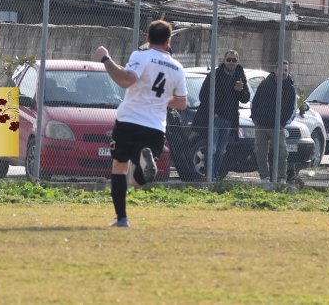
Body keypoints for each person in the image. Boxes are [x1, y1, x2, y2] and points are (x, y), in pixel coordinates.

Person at [95, 19, 187, 228]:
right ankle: (145, 162)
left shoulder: (141, 56)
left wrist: (105, 59)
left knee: (119, 166)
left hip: (129, 120)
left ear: (147, 38)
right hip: (155, 127)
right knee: (137, 180)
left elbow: (126, 79)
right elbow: (181, 103)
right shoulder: (177, 67)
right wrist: (162, 99)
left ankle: (122, 219)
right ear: (168, 41)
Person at [192, 49, 250, 179]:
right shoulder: (215, 75)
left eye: (234, 60)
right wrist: (213, 114)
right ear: (224, 60)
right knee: (211, 149)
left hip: (229, 120)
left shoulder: (240, 76)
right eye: (228, 60)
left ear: (237, 62)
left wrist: (240, 90)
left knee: (221, 151)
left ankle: (216, 175)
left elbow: (246, 98)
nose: (231, 62)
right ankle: (209, 176)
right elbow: (203, 96)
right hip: (215, 119)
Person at [251, 61, 297, 183]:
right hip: (261, 124)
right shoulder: (265, 84)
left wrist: (283, 122)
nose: (284, 72)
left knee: (282, 152)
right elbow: (255, 101)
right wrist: (255, 117)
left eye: (286, 70)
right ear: (275, 70)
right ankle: (264, 177)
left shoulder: (290, 89)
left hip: (277, 126)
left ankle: (281, 178)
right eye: (281, 70)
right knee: (260, 151)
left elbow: (292, 108)